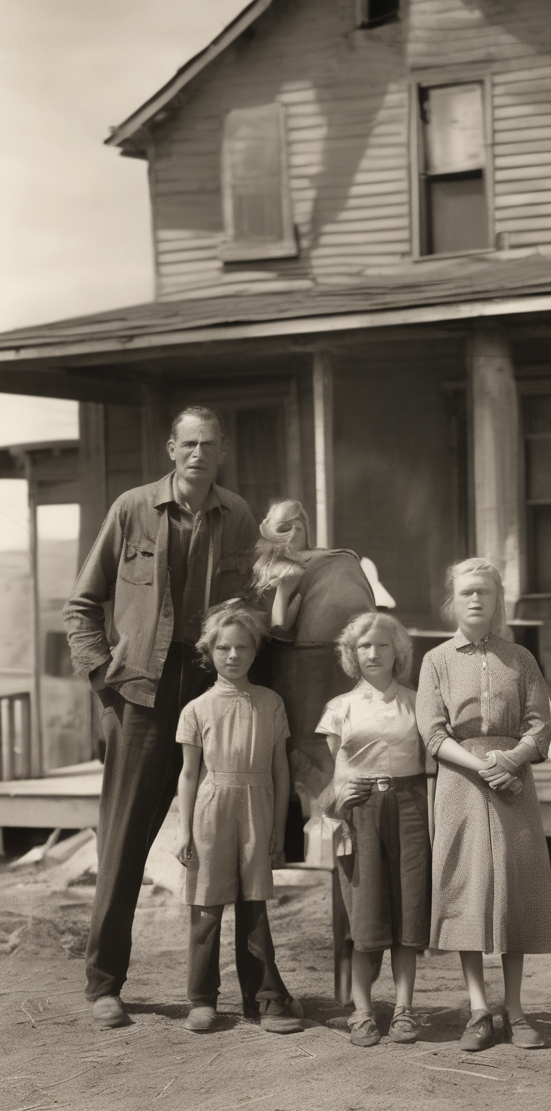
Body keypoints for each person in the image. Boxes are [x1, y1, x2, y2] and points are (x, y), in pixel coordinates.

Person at [63, 406, 258, 1027]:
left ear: (221, 449)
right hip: (142, 694)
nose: (199, 452)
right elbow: (82, 605)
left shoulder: (239, 515)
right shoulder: (131, 509)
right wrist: (104, 679)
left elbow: (252, 612)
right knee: (122, 842)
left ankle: (214, 996)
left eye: (209, 442)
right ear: (172, 449)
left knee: (222, 840)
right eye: (188, 442)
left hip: (212, 692)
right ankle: (105, 984)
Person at [415, 558, 551, 1053]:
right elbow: (432, 732)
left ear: (498, 601)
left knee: (515, 888)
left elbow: (540, 725)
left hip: (514, 784)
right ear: (451, 602)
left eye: (485, 593)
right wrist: (482, 766)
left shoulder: (520, 658)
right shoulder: (435, 660)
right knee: (468, 888)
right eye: (466, 593)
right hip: (461, 782)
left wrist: (513, 759)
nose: (475, 600)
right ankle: (478, 1010)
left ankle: (516, 1011)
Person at [173, 601, 302, 1034]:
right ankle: (201, 1000)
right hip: (212, 811)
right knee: (206, 908)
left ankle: (264, 1000)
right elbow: (189, 774)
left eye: (242, 647)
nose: (233, 655)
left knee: (255, 908)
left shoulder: (270, 703)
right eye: (224, 648)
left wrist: (279, 829)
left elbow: (281, 772)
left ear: (254, 651)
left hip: (257, 808)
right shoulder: (197, 709)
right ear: (209, 652)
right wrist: (183, 830)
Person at [316, 613, 433, 1047]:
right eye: (364, 646)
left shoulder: (418, 702)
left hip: (409, 808)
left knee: (408, 912)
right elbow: (334, 775)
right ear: (352, 654)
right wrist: (338, 804)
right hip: (360, 813)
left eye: (383, 645)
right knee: (364, 916)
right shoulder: (339, 708)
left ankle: (403, 1011)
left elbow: (431, 761)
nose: (374, 653)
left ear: (398, 652)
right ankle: (362, 1012)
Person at [252, 499, 376, 774]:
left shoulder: (338, 557)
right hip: (300, 663)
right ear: (267, 529)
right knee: (309, 747)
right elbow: (278, 628)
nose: (294, 533)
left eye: (299, 526)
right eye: (284, 527)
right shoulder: (266, 567)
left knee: (346, 739)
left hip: (351, 656)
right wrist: (285, 590)